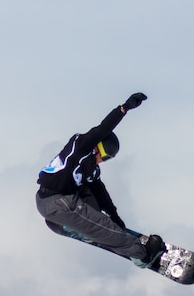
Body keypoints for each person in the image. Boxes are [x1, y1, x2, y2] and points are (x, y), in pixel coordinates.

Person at [36, 92, 166, 268]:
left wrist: (115, 217)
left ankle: (67, 225)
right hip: (57, 202)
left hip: (58, 204)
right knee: (102, 225)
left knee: (94, 191)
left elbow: (100, 191)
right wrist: (124, 108)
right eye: (104, 155)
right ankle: (142, 255)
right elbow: (102, 129)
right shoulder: (81, 147)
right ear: (97, 147)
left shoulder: (90, 169)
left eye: (107, 159)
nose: (101, 160)